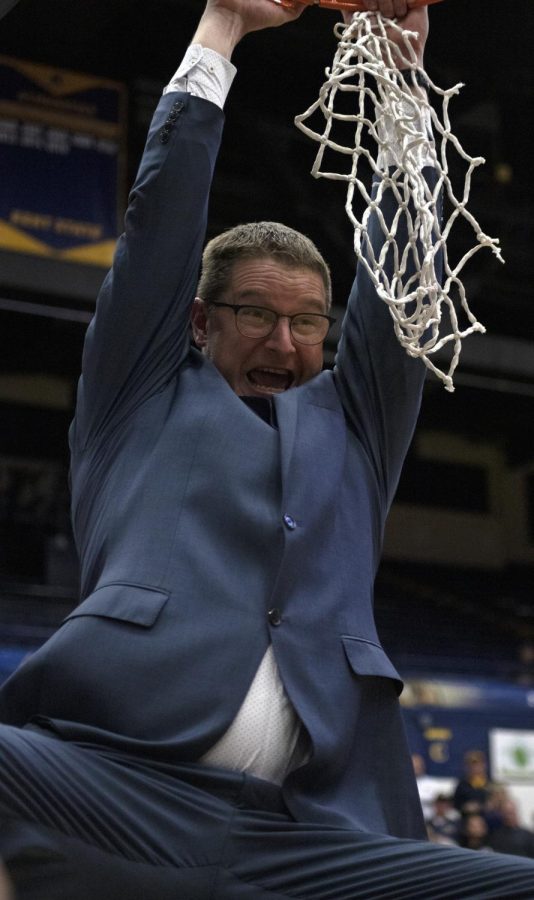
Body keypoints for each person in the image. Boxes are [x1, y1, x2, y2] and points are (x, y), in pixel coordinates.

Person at [1, 0, 534, 896]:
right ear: (203, 321)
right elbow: (159, 223)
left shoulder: (356, 424)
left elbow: (406, 267)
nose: (286, 344)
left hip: (313, 832)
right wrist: (222, 29)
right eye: (258, 316)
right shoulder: (138, 397)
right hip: (112, 787)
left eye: (308, 324)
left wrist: (402, 78)